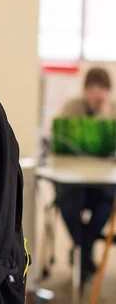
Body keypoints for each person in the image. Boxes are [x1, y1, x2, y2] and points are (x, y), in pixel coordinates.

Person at [55, 67, 116, 282]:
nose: (96, 94)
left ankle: (81, 251)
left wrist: (105, 111)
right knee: (67, 205)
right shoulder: (71, 107)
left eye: (102, 89)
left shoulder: (113, 110)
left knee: (106, 205)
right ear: (85, 89)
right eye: (92, 88)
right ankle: (86, 255)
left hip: (103, 181)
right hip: (73, 179)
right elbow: (58, 142)